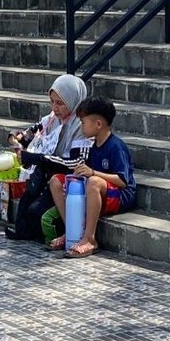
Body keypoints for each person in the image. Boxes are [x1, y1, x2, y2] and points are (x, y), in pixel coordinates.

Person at [4, 74, 92, 241]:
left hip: (66, 179)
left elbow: (75, 163)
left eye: (60, 103)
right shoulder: (52, 119)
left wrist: (38, 158)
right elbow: (30, 133)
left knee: (36, 212)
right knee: (25, 205)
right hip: (45, 173)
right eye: (52, 102)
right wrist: (16, 137)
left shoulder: (81, 125)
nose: (55, 107)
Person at [47, 96, 136, 258]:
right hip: (96, 190)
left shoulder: (116, 147)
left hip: (120, 196)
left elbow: (123, 182)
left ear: (98, 124)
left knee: (94, 182)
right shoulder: (91, 145)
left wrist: (93, 173)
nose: (81, 127)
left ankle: (89, 239)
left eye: (83, 122)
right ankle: (73, 231)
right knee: (57, 181)